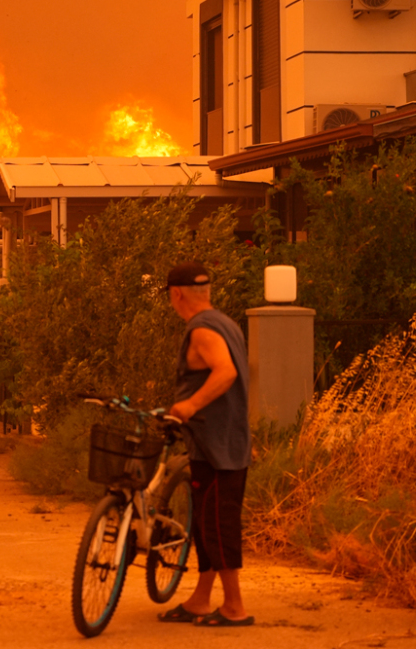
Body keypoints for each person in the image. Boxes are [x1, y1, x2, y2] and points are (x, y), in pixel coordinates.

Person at [158, 262, 255, 628]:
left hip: (218, 446)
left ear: (175, 294)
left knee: (217, 525)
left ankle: (234, 607)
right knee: (205, 522)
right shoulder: (225, 323)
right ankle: (200, 599)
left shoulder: (201, 329)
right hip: (220, 439)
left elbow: (226, 372)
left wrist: (189, 405)